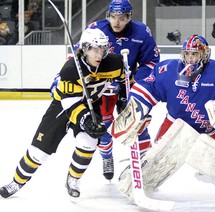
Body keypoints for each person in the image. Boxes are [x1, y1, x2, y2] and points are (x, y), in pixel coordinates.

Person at [110, 35, 215, 201]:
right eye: (187, 54)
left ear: (205, 55)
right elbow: (149, 85)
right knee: (157, 157)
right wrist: (136, 107)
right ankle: (140, 180)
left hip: (210, 129)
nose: (190, 59)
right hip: (175, 125)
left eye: (195, 54)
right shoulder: (169, 70)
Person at [0, 28, 125, 199]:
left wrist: (124, 98)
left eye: (102, 50)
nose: (99, 55)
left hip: (91, 105)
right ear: (85, 49)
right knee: (38, 152)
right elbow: (71, 105)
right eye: (95, 50)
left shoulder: (115, 63)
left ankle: (73, 179)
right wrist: (86, 120)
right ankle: (16, 181)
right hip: (63, 106)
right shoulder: (71, 69)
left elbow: (125, 80)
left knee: (88, 143)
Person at [76, 0, 160, 181]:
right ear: (108, 16)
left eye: (121, 18)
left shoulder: (141, 32)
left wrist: (135, 82)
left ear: (129, 17)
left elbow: (152, 61)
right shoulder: (96, 29)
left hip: (130, 82)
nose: (117, 22)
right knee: (104, 124)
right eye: (113, 17)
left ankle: (146, 160)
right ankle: (107, 157)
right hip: (103, 84)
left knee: (137, 121)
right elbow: (79, 55)